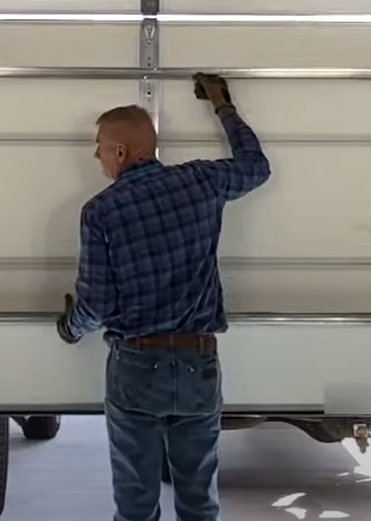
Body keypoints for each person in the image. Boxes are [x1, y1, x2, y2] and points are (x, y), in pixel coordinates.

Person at [54, 72, 271, 521]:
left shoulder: (101, 211)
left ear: (119, 151)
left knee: (136, 502)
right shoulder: (200, 182)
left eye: (98, 146)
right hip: (198, 365)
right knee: (199, 501)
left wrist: (70, 326)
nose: (96, 156)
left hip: (136, 367)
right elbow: (256, 167)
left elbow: (95, 307)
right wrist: (223, 108)